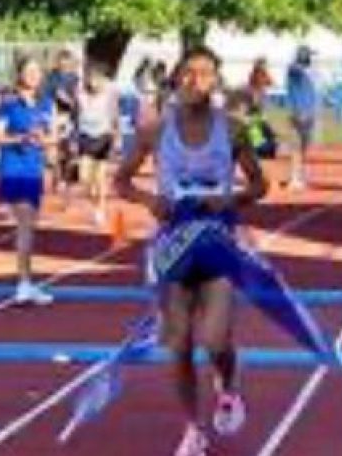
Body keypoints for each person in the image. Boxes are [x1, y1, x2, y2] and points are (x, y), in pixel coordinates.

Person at [115, 46, 268, 454]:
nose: (193, 81)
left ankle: (229, 384)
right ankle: (192, 428)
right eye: (187, 73)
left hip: (217, 243)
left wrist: (230, 200)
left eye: (203, 74)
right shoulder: (154, 129)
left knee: (216, 339)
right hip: (173, 246)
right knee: (178, 343)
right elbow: (121, 180)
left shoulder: (233, 128)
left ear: (216, 81)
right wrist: (150, 201)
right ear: (176, 78)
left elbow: (260, 184)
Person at [0, 56, 57, 306]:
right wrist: (20, 138)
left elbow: (52, 138)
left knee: (30, 226)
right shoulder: (8, 104)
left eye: (36, 71)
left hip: (34, 168)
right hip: (13, 168)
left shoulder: (46, 104)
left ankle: (27, 281)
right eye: (28, 71)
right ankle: (23, 283)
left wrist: (44, 141)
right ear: (19, 74)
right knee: (25, 224)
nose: (32, 75)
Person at [76, 63, 120, 228]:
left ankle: (100, 209)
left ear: (102, 80)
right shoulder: (80, 93)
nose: (94, 83)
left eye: (97, 79)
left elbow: (114, 115)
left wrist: (117, 137)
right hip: (85, 136)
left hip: (103, 136)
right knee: (84, 178)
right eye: (91, 79)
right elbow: (75, 112)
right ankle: (94, 197)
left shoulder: (109, 93)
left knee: (101, 176)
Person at [43, 50, 80, 200]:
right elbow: (46, 95)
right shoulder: (51, 77)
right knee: (55, 149)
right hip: (55, 116)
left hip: (70, 117)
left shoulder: (75, 78)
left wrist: (70, 101)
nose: (64, 64)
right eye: (61, 61)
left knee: (70, 149)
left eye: (67, 61)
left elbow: (77, 98)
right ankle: (57, 177)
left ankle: (68, 179)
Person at [285, 46, 318, 190]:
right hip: (299, 114)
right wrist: (299, 112)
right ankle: (294, 178)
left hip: (308, 114)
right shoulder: (295, 70)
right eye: (309, 56)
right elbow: (293, 74)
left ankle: (299, 176)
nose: (311, 59)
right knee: (296, 147)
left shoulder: (305, 73)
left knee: (303, 148)